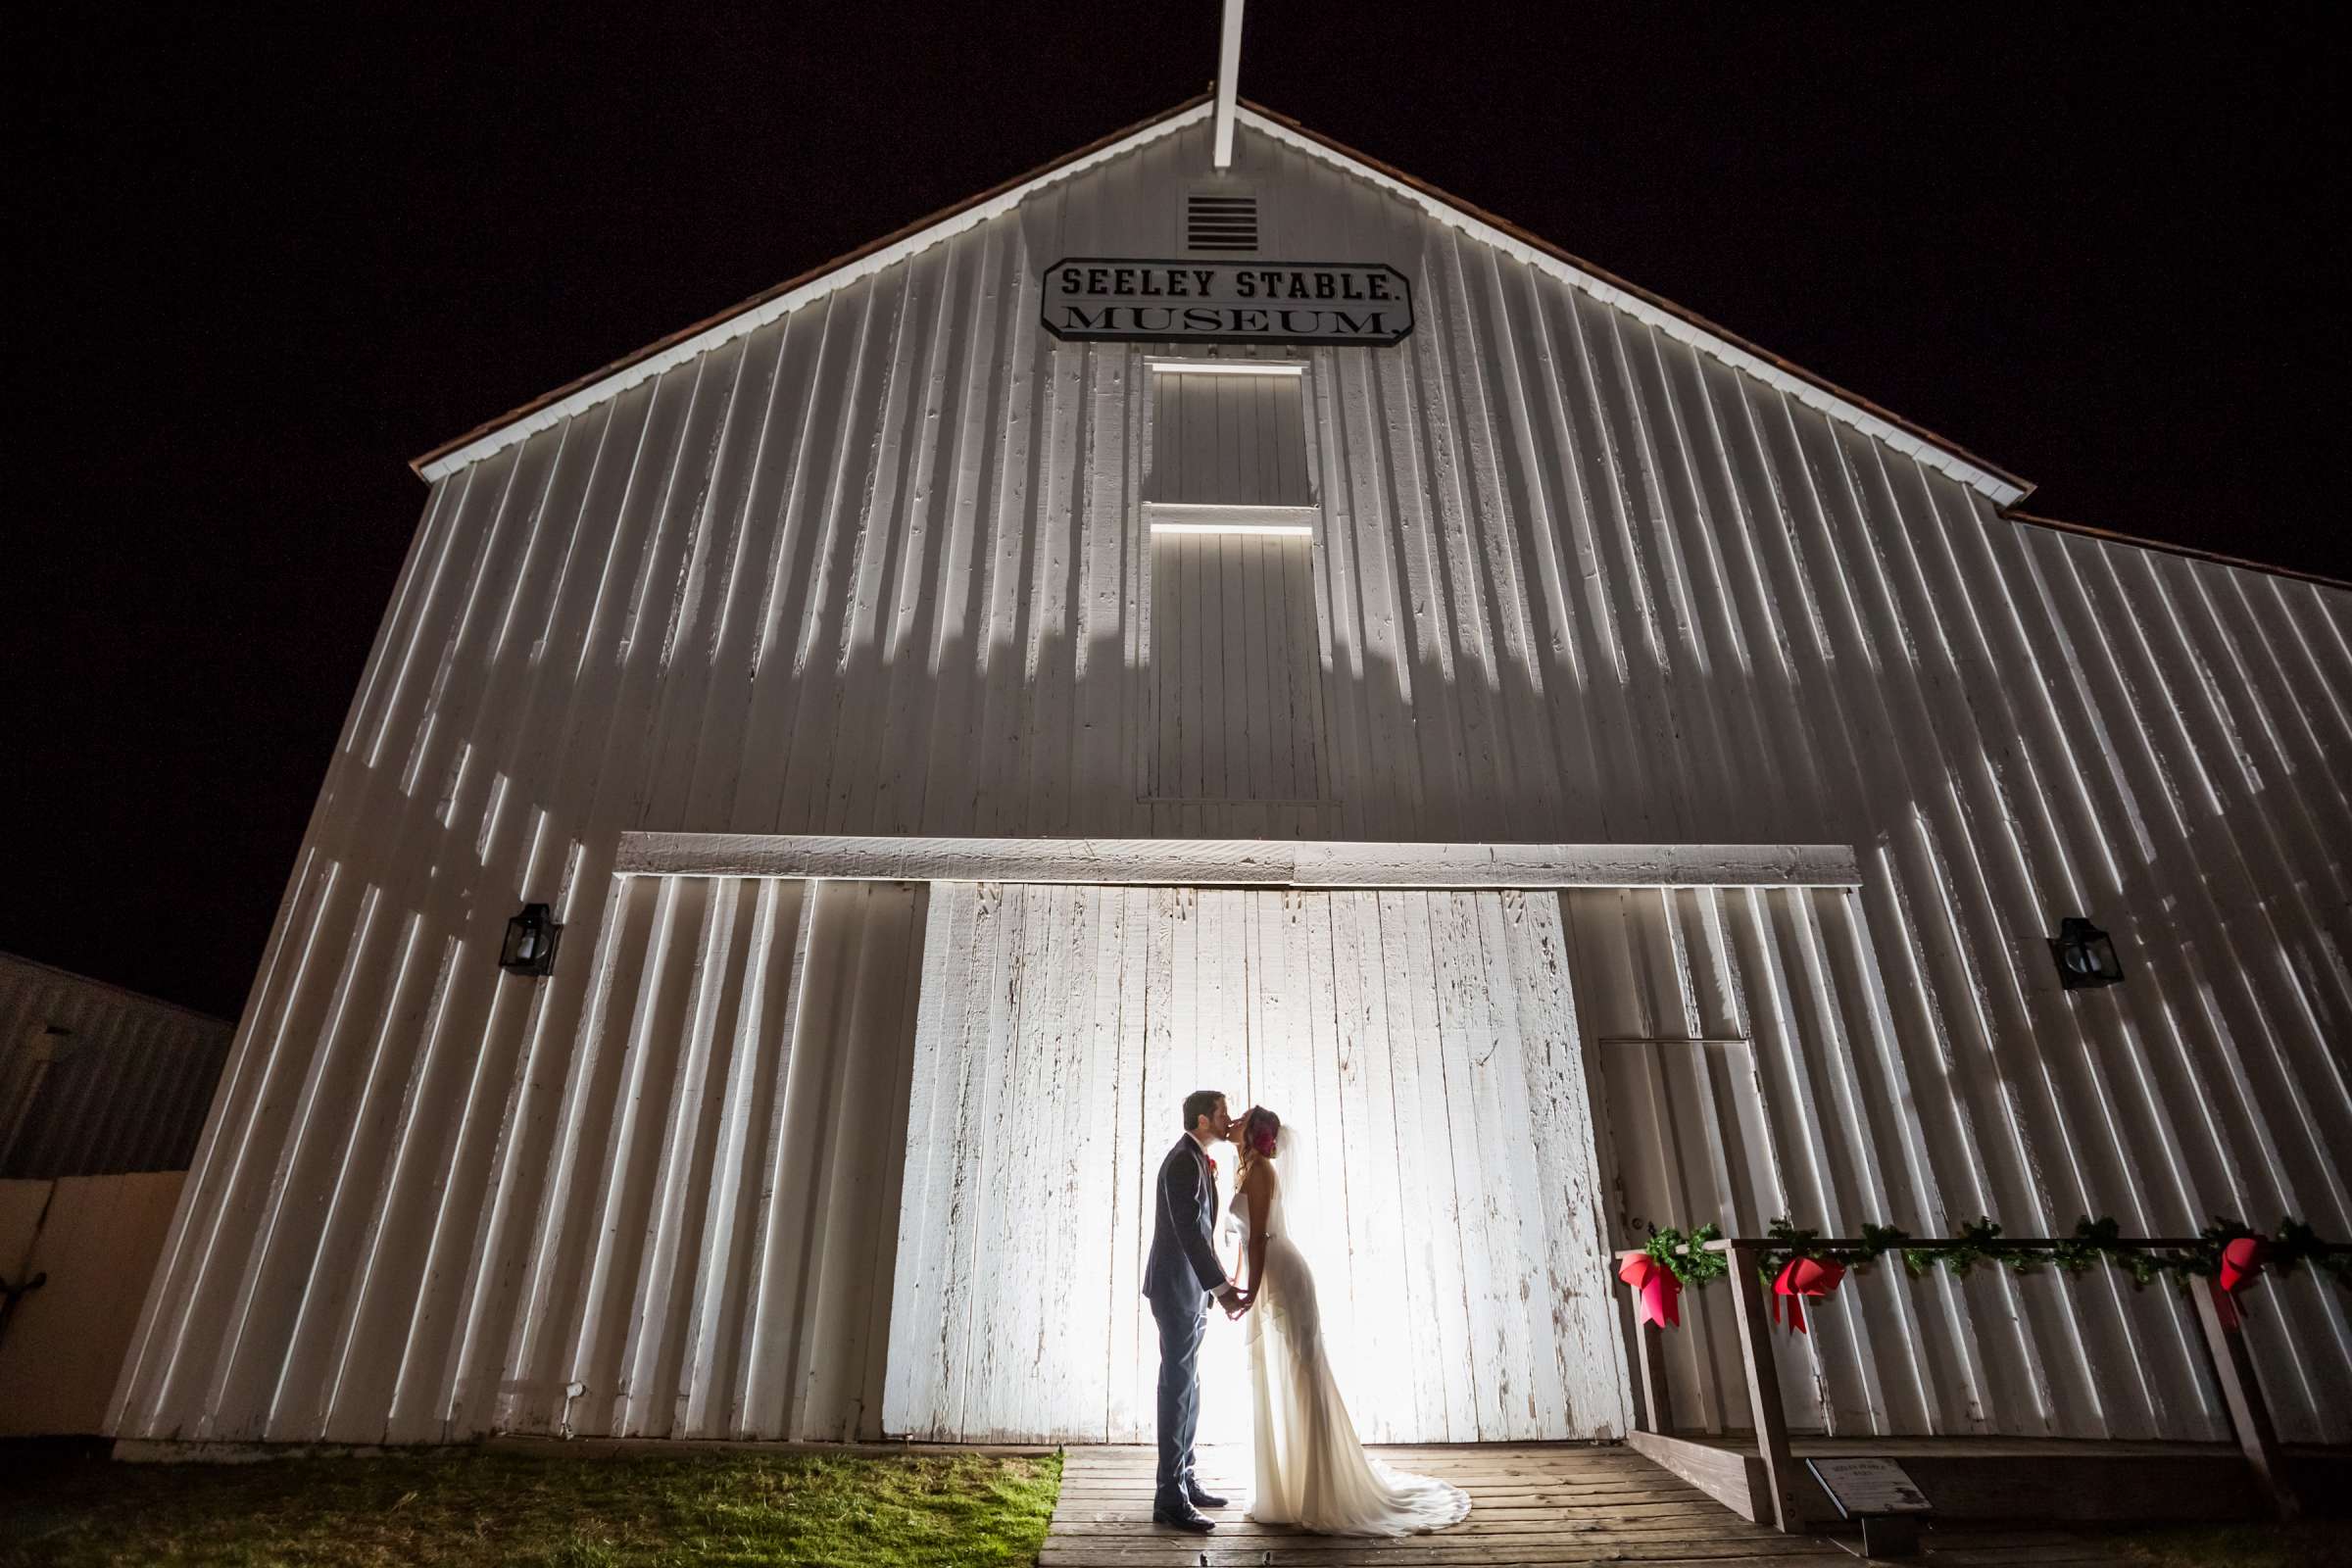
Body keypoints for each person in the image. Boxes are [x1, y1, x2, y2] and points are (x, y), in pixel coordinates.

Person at [1225, 1102, 1471, 1536]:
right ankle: (1285, 1487)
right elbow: (1245, 1243)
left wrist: (1253, 1288)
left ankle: (1321, 1490)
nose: (1234, 1121)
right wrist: (1238, 1282)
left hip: (1284, 1275)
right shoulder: (1242, 1167)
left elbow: (1262, 1236)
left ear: (1253, 1132)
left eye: (1241, 1118)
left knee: (1303, 1375)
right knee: (1275, 1375)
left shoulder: (1261, 1170)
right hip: (1264, 1275)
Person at [1140, 1088, 1250, 1533]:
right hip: (1175, 1289)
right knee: (1177, 1385)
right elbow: (1188, 1233)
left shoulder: (1197, 1159)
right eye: (1223, 1113)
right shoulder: (1183, 1161)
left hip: (1191, 1290)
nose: (1230, 1118)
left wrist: (1218, 1284)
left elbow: (1202, 1233)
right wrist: (1222, 1290)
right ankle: (1169, 1497)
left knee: (1190, 1384)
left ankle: (1185, 1478)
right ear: (1203, 1120)